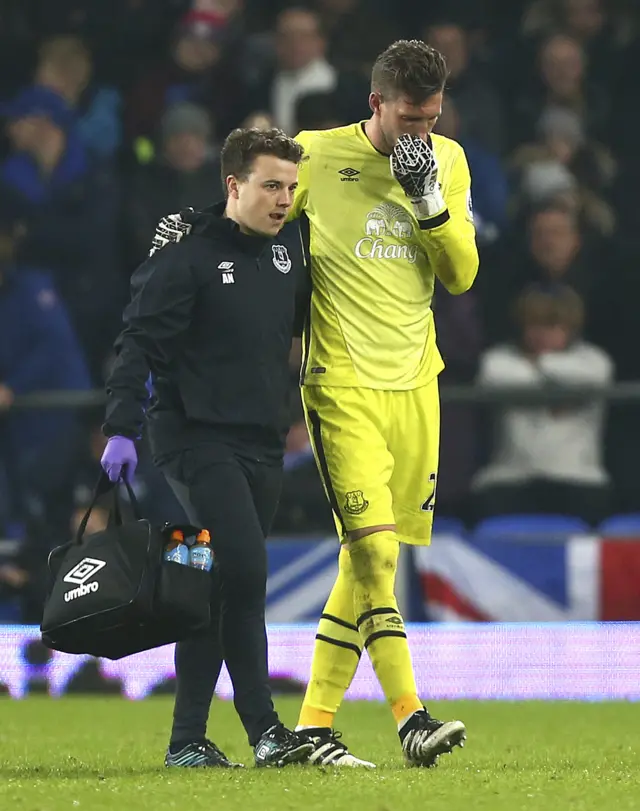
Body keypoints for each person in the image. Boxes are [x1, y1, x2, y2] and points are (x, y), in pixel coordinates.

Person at [289, 40, 479, 767]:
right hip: (340, 384)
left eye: (431, 119)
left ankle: (312, 727)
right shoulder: (316, 155)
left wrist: (428, 197)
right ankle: (411, 717)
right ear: (376, 105)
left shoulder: (448, 162)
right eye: (408, 120)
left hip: (415, 386)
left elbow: (461, 274)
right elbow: (255, 216)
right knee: (373, 552)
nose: (420, 135)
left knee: (368, 563)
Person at [100, 127, 313, 769]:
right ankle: (268, 732)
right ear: (234, 185)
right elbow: (138, 341)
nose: (283, 200)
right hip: (193, 438)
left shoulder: (291, 249)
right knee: (245, 572)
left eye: (291, 188)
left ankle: (187, 740)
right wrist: (119, 424)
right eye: (271, 185)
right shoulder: (185, 253)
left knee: (214, 583)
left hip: (262, 441)